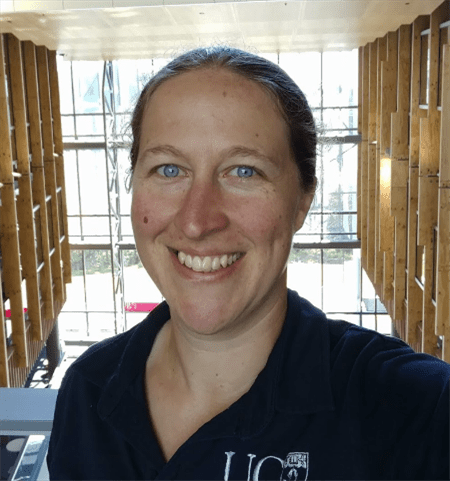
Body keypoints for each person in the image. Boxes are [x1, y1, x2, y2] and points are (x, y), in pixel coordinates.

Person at [47, 46, 450, 481]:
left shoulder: (408, 408)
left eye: (243, 172)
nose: (197, 221)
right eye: (168, 170)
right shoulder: (89, 388)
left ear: (302, 200)